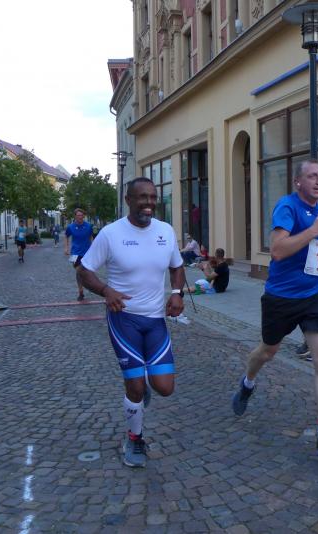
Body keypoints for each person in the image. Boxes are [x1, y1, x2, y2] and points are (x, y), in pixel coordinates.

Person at [230, 159, 318, 457]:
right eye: (312, 176)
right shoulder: (286, 207)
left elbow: (311, 252)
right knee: (267, 352)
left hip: (315, 293)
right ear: (298, 182)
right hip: (282, 297)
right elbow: (278, 250)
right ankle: (247, 382)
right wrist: (314, 230)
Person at [77, 177, 186, 468]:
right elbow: (83, 271)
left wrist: (177, 293)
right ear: (128, 200)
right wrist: (105, 290)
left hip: (156, 320)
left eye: (153, 197)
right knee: (135, 386)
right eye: (142, 197)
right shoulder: (111, 234)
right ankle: (135, 438)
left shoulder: (165, 231)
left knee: (165, 387)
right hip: (123, 319)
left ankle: (140, 385)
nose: (149, 203)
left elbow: (177, 266)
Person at [64, 208, 94, 301]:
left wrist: (93, 247)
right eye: (78, 215)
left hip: (87, 253)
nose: (80, 217)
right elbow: (66, 236)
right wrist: (66, 247)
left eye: (81, 215)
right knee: (78, 271)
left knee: (85, 272)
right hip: (75, 253)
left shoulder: (88, 226)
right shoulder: (70, 227)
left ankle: (84, 288)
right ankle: (80, 290)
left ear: (83, 216)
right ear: (75, 216)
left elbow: (91, 237)